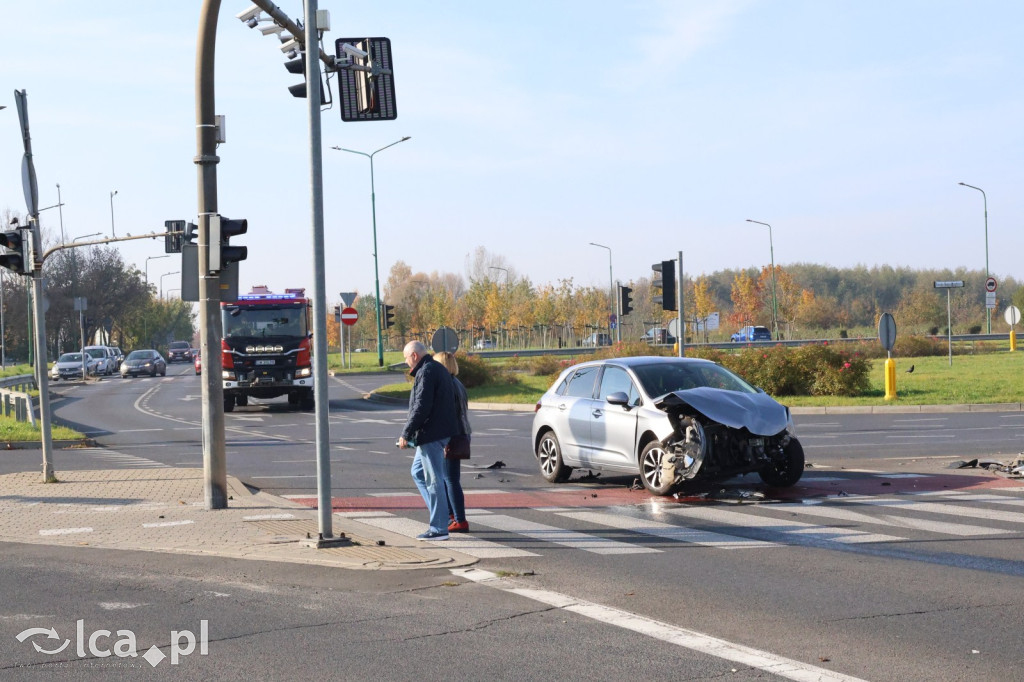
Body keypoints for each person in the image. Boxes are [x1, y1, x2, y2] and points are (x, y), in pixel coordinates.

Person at [398, 341, 458, 541]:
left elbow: (421, 406)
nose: (406, 363)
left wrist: (406, 433)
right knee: (418, 472)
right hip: (437, 431)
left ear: (414, 355)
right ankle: (440, 513)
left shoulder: (427, 372)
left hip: (432, 434)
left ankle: (439, 528)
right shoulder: (436, 368)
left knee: (434, 480)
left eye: (406, 358)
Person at [436, 351, 471, 533]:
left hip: (451, 436)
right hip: (460, 433)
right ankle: (452, 516)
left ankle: (459, 519)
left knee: (450, 479)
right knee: (447, 478)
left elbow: (447, 414)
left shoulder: (447, 385)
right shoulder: (458, 383)